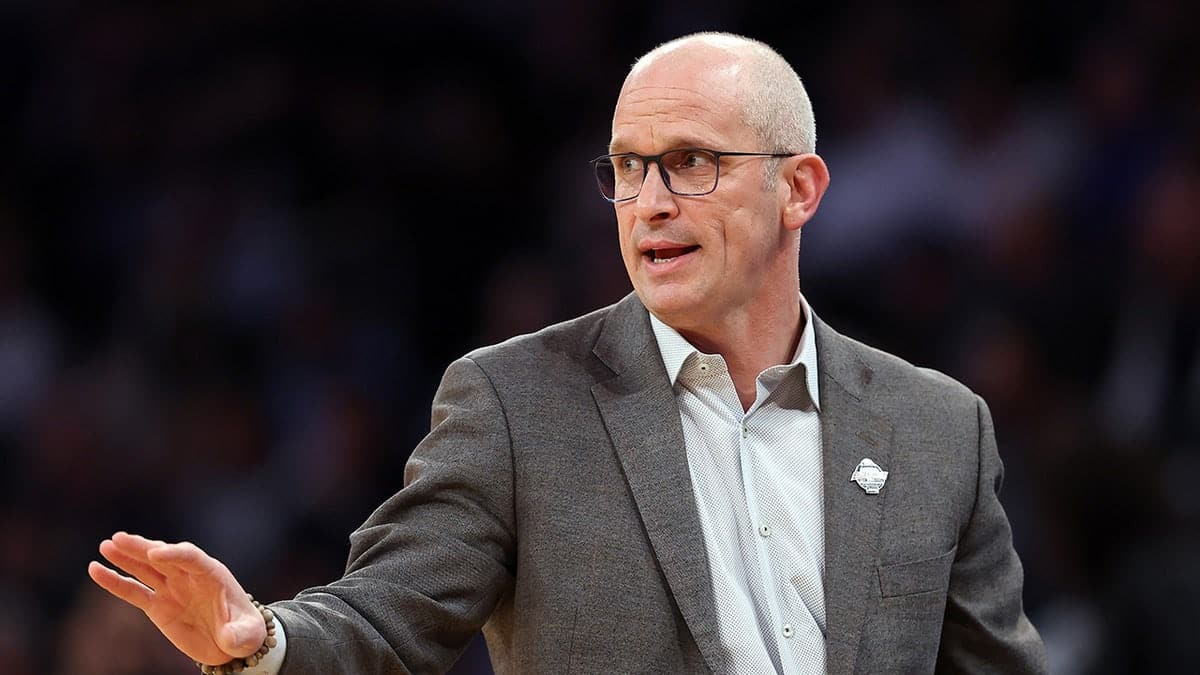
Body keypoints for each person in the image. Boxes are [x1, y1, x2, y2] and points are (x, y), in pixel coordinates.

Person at [88, 32, 1048, 674]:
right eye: (628, 168)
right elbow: (387, 611)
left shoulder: (937, 427)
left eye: (692, 162)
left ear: (798, 188)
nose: (650, 202)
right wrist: (264, 640)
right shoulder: (516, 401)